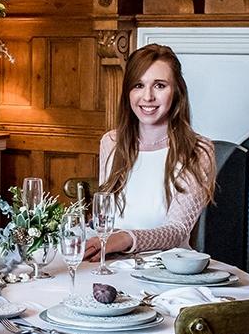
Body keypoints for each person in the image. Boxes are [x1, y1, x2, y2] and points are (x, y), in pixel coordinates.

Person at [85, 44, 217, 259]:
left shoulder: (198, 150)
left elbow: (177, 231)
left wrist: (125, 239)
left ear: (177, 92)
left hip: (167, 270)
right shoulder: (111, 142)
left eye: (159, 85)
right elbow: (105, 217)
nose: (147, 97)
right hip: (109, 263)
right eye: (138, 85)